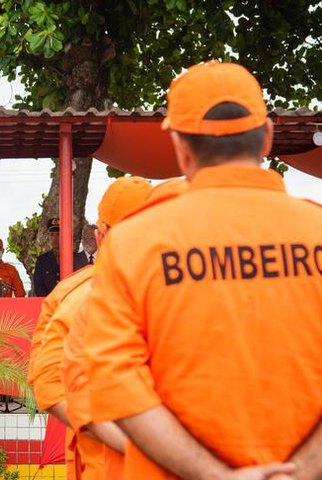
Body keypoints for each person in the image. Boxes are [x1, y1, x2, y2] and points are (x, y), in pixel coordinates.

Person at [84, 61, 322, 480]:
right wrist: (302, 471)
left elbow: (113, 383)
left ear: (181, 147)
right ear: (266, 136)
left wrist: (216, 476)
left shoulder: (133, 243)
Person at [29, 177, 153, 480]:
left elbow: (48, 385)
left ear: (99, 237)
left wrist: (134, 446)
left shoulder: (72, 292)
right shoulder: (185, 285)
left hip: (105, 463)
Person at [32, 218, 62, 296]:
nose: (55, 238)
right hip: (48, 304)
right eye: (52, 235)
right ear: (48, 237)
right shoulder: (42, 261)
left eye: (58, 234)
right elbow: (38, 287)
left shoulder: (74, 258)